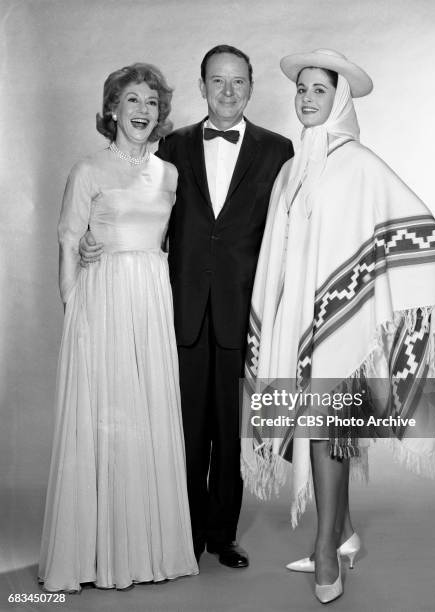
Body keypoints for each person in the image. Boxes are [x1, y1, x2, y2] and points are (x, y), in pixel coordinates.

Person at [241, 49, 435, 603]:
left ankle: (324, 553)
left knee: (324, 433)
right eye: (302, 89)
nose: (307, 98)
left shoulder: (360, 163)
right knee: (306, 434)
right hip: (296, 319)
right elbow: (280, 252)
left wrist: (367, 294)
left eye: (319, 90)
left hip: (339, 321)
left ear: (338, 100)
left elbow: (410, 223)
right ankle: (345, 535)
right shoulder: (293, 167)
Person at [79, 45, 294, 568]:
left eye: (238, 82)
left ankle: (222, 536)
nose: (227, 91)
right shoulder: (168, 145)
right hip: (176, 311)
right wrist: (92, 238)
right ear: (201, 87)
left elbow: (294, 228)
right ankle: (184, 533)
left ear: (251, 86)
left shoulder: (278, 150)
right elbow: (133, 205)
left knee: (232, 429)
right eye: (217, 81)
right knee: (184, 430)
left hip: (244, 314)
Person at [38, 63, 198, 593]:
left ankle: (147, 549)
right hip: (101, 304)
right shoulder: (89, 169)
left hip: (151, 303)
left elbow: (166, 244)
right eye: (132, 100)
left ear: (161, 113)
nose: (142, 110)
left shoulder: (170, 174)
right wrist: (74, 309)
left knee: (145, 415)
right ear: (112, 109)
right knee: (105, 418)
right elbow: (68, 242)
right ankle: (96, 554)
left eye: (151, 102)